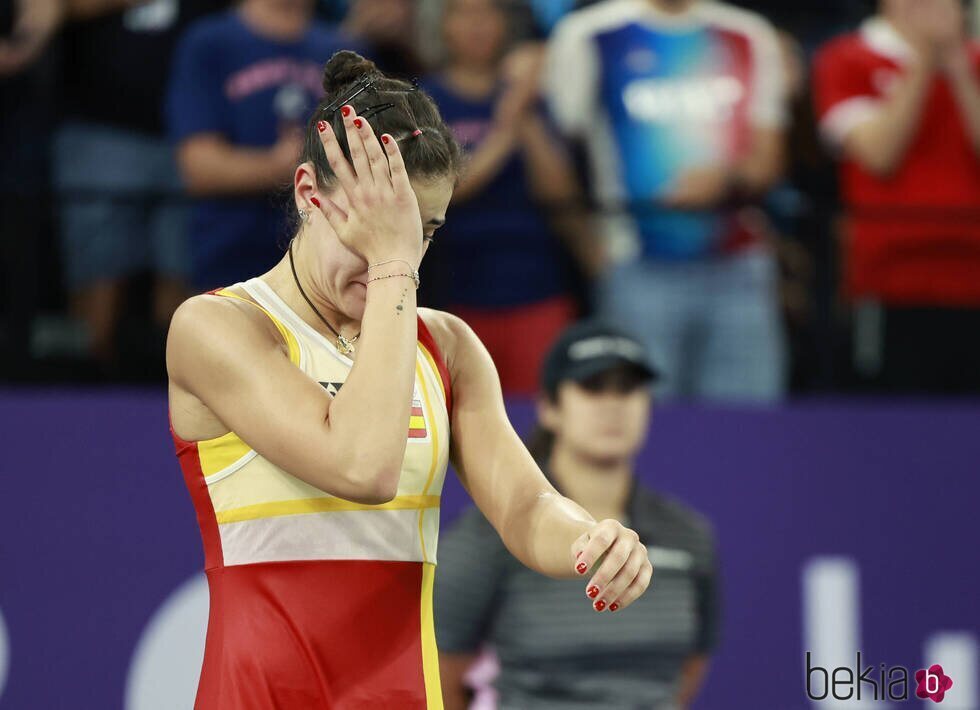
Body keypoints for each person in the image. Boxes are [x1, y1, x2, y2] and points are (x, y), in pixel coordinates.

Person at [166, 50, 653, 708]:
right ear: (310, 194)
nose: (400, 253)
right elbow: (362, 466)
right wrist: (396, 263)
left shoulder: (445, 346)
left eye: (424, 231)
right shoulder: (218, 328)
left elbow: (525, 507)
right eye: (376, 228)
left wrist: (592, 541)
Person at [435, 320, 720, 710]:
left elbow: (688, 667)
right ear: (550, 408)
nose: (613, 403)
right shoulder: (492, 534)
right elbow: (439, 677)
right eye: (593, 386)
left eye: (628, 388)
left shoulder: (690, 535)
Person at [544, 0, 789, 402]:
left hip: (740, 266)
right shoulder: (589, 33)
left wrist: (726, 178)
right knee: (643, 428)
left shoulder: (748, 33)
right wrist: (590, 250)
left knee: (748, 429)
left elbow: (770, 160)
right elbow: (557, 149)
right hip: (637, 266)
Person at [420, 0, 601, 396]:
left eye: (487, 14)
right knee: (462, 415)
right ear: (444, 26)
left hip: (538, 288)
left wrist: (526, 114)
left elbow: (559, 191)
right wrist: (506, 129)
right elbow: (444, 190)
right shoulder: (425, 101)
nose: (476, 26)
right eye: (463, 14)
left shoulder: (530, 98)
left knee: (540, 416)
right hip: (457, 293)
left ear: (506, 24)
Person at [813, 0, 980, 393]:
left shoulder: (973, 61)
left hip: (973, 277)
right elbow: (879, 154)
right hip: (888, 279)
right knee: (892, 415)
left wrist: (957, 68)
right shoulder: (845, 58)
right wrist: (923, 61)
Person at [54, 0, 229, 369]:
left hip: (194, 136)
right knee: (98, 280)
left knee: (187, 282)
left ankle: (182, 400)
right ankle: (83, 399)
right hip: (100, 126)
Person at [167, 0, 354, 293]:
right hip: (230, 260)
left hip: (329, 266)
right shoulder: (208, 43)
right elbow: (199, 169)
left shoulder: (345, 49)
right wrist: (285, 166)